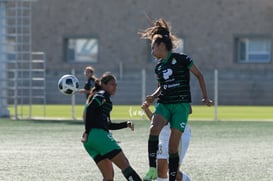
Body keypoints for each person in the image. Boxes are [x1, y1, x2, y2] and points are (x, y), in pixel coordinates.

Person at [139, 18, 213, 181]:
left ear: (161, 46)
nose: (151, 51)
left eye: (153, 47)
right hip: (164, 103)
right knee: (153, 130)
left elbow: (199, 75)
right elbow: (162, 86)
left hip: (180, 105)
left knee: (173, 147)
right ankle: (152, 169)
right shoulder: (158, 66)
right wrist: (153, 96)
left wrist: (205, 97)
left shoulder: (182, 59)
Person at [81, 72, 141, 181]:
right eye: (112, 84)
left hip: (90, 141)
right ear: (103, 85)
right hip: (98, 136)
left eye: (116, 85)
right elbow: (89, 110)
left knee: (108, 176)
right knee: (125, 165)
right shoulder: (102, 94)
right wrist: (87, 131)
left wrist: (125, 124)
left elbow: (108, 124)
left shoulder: (104, 98)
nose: (115, 87)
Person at [141, 101, 192, 181]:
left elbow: (189, 110)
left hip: (178, 134)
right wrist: (146, 110)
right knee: (160, 171)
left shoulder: (179, 91)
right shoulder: (159, 97)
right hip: (163, 137)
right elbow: (155, 121)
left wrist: (171, 110)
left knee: (174, 172)